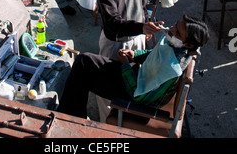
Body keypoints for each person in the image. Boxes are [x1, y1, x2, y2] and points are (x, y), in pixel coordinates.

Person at [57, 14, 210, 119]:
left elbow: (138, 94)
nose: (171, 29)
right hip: (137, 76)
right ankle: (72, 114)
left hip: (135, 95)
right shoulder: (175, 46)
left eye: (177, 32)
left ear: (188, 44)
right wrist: (135, 54)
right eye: (175, 25)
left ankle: (70, 117)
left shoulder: (171, 70)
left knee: (83, 70)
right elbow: (154, 54)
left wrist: (125, 66)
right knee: (84, 62)